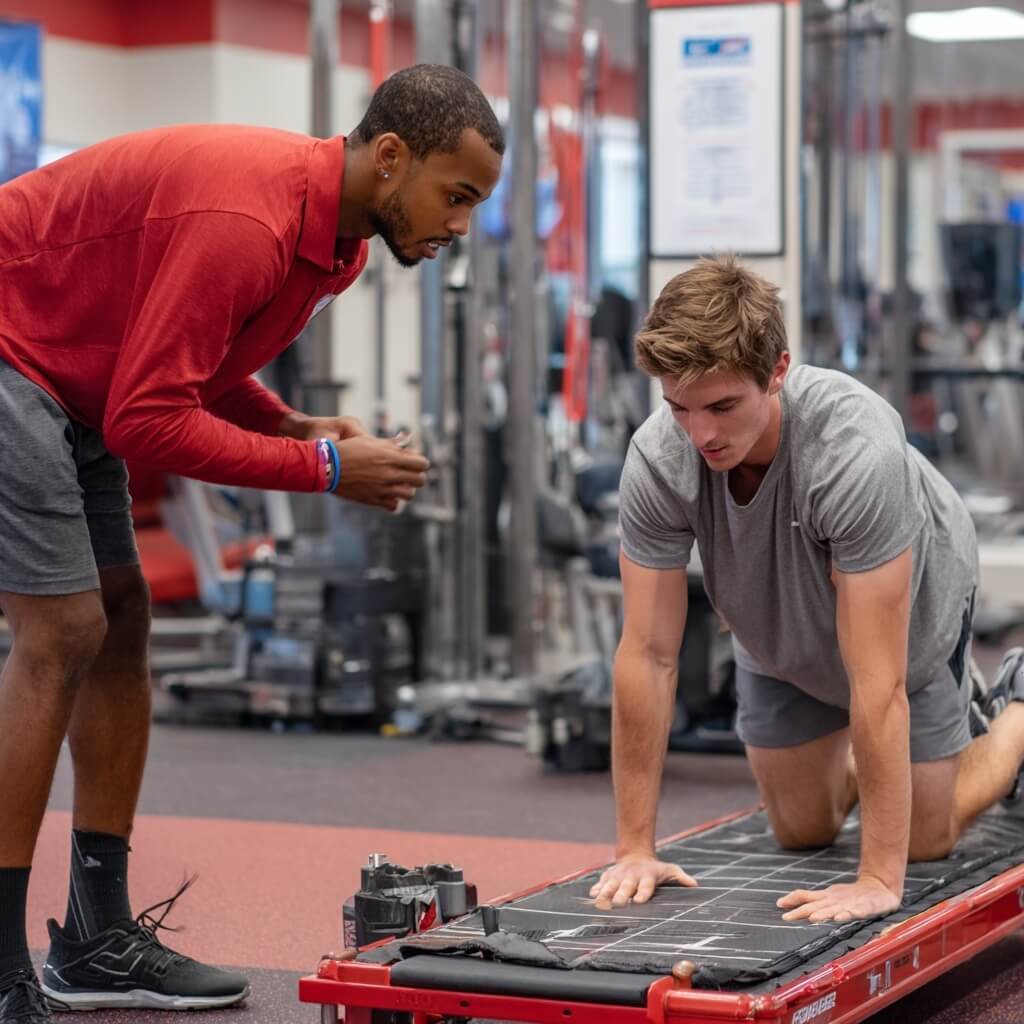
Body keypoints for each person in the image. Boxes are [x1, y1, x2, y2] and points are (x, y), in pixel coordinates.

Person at [0, 63, 503, 1022]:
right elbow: (151, 422)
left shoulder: (340, 249)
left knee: (120, 622)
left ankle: (97, 940)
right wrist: (320, 468)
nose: (460, 223)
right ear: (391, 158)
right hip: (12, 348)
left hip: (75, 379)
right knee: (61, 632)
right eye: (458, 195)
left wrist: (295, 426)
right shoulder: (254, 223)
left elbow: (196, 368)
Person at [591, 255, 1024, 926]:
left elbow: (876, 679)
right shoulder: (659, 457)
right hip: (773, 618)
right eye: (680, 407)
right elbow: (648, 654)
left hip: (913, 610)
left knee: (925, 839)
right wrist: (634, 849)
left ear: (779, 372)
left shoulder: (852, 450)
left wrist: (879, 877)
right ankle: (877, 762)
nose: (701, 432)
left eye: (723, 406)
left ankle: (1015, 709)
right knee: (801, 829)